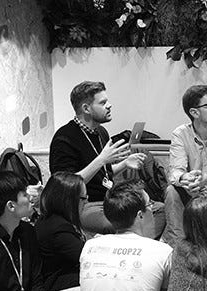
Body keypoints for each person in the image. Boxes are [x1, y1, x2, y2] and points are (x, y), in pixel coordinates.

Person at [49, 81, 146, 235]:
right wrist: (101, 159)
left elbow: (103, 174)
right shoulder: (64, 138)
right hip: (84, 204)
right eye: (103, 102)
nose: (110, 105)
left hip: (109, 199)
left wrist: (125, 163)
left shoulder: (101, 132)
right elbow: (65, 188)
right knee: (124, 224)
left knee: (157, 210)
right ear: (86, 108)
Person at [162, 85, 207, 244]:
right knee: (171, 190)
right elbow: (175, 171)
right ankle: (178, 247)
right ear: (194, 112)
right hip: (191, 190)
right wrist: (185, 179)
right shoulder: (180, 134)